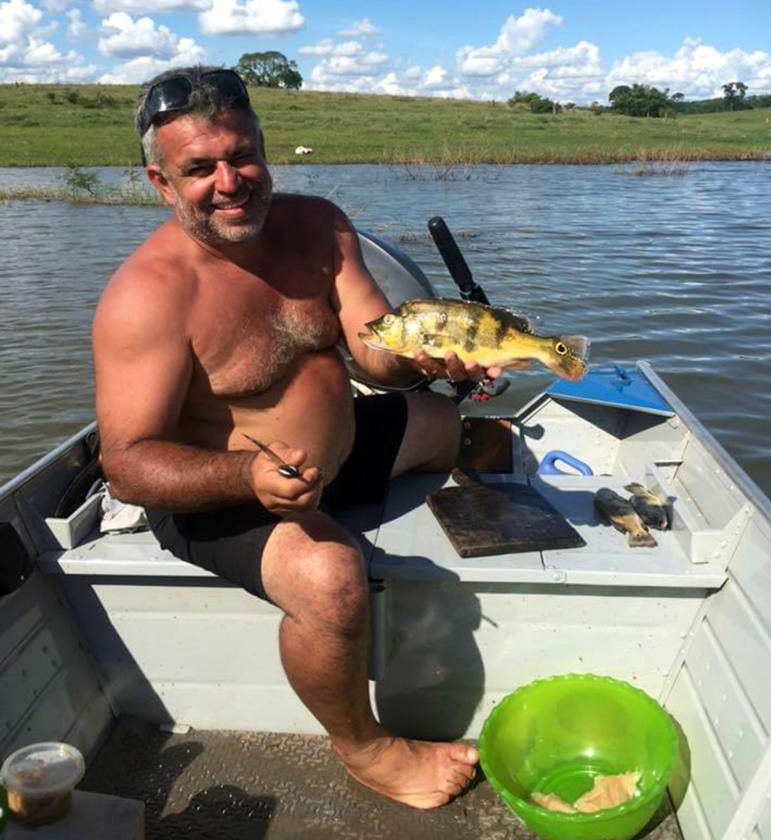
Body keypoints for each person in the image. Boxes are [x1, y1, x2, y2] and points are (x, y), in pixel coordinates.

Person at [93, 66, 501, 810]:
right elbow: (127, 465)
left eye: (242, 155)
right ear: (159, 181)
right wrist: (248, 477)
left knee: (464, 430)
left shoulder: (320, 225)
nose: (230, 181)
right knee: (331, 580)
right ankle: (368, 750)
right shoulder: (147, 295)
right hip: (227, 493)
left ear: (263, 147)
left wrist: (418, 360)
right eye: (199, 168)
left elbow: (372, 349)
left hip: (337, 455)